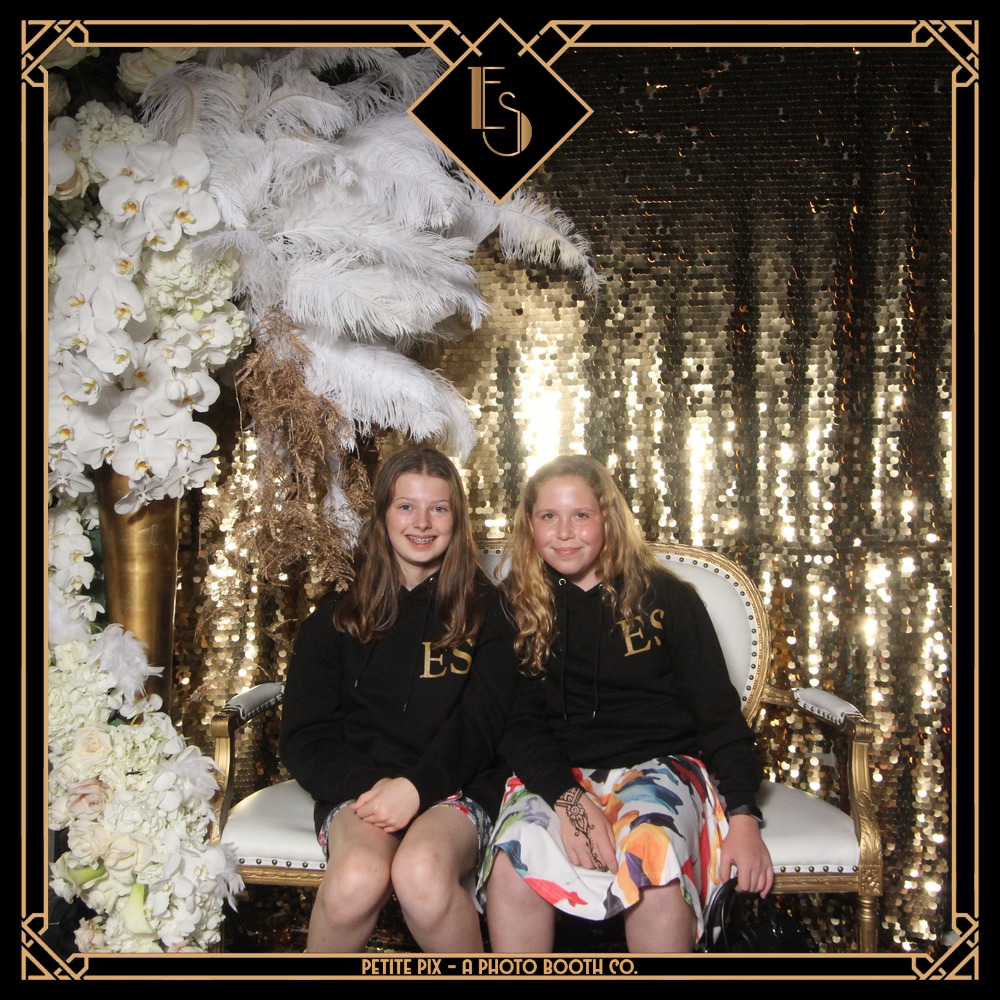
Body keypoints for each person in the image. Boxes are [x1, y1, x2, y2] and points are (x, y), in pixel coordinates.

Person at [480, 455, 773, 953]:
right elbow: (516, 723)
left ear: (608, 519)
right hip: (554, 773)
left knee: (653, 862)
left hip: (659, 764)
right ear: (529, 524)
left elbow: (718, 715)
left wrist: (744, 817)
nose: (564, 532)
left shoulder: (668, 598)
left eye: (581, 515)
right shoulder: (511, 605)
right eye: (549, 516)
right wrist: (570, 801)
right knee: (514, 867)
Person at [280, 448, 514, 953]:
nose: (422, 523)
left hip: (458, 785)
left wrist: (417, 787)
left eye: (439, 508)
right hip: (364, 788)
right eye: (406, 506)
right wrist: (377, 787)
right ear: (383, 514)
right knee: (356, 878)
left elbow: (483, 727)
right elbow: (304, 737)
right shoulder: (337, 612)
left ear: (457, 519)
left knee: (421, 873)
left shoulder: (489, 610)